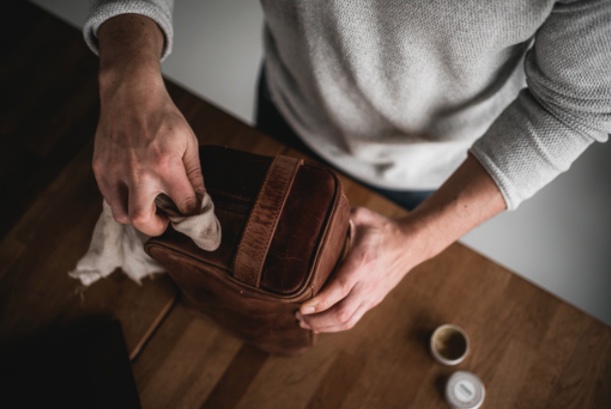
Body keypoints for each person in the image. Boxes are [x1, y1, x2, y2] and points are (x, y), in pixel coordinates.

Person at [83, 0, 610, 334]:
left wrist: (414, 241)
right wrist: (127, 71)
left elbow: (571, 107)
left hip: (432, 168)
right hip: (285, 104)